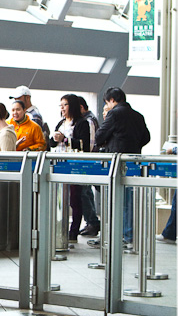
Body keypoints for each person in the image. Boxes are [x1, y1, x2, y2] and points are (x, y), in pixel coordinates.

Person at [94, 87, 150, 245]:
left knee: (117, 199)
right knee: (130, 199)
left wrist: (112, 140)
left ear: (112, 100)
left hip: (117, 161)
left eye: (107, 102)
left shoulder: (114, 113)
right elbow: (146, 137)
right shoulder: (138, 115)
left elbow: (99, 136)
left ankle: (121, 234)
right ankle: (129, 234)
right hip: (134, 160)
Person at [48, 94, 91, 242]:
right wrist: (54, 138)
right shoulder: (60, 123)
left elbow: (84, 145)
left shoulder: (82, 123)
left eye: (65, 105)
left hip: (73, 165)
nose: (62, 108)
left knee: (75, 198)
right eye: (60, 105)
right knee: (59, 199)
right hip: (59, 164)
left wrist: (64, 140)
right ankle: (59, 228)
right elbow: (51, 144)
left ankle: (73, 231)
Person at [77, 96, 100, 237]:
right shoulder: (91, 119)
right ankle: (91, 222)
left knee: (85, 192)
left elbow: (90, 144)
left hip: (90, 162)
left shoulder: (88, 121)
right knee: (87, 192)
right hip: (92, 162)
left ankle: (92, 222)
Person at [10, 85, 50, 150]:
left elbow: (37, 140)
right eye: (15, 99)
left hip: (28, 155)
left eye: (19, 98)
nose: (16, 101)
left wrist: (29, 149)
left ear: (28, 98)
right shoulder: (13, 119)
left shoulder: (34, 116)